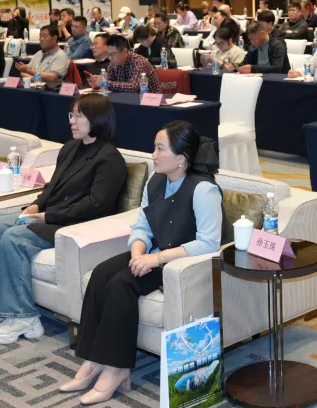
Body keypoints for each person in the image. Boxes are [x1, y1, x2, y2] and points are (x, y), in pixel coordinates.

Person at [61, 121, 220, 404]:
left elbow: (208, 243)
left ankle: (117, 369)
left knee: (122, 283)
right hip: (151, 252)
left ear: (181, 158)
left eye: (160, 149)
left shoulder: (203, 190)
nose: (153, 155)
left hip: (178, 262)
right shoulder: (156, 181)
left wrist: (155, 259)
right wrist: (137, 253)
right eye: (154, 148)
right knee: (101, 274)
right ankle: (92, 360)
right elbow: (142, 227)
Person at [0, 94, 127, 344]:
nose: (71, 121)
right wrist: (36, 204)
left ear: (97, 119)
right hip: (51, 215)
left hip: (74, 224)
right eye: (71, 114)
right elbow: (52, 186)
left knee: (15, 238)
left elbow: (95, 205)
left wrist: (46, 215)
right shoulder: (70, 147)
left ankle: (24, 316)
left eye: (79, 116)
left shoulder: (110, 158)